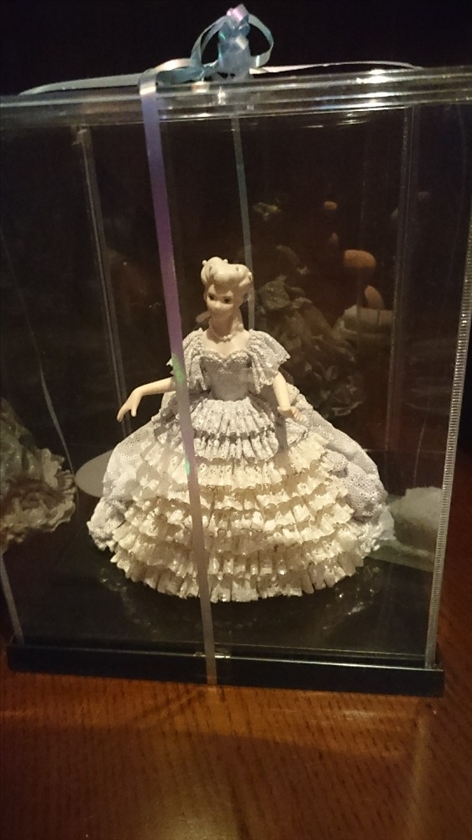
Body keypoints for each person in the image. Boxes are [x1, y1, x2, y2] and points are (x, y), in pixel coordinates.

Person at [88, 257, 392, 602]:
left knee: (267, 491)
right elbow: (182, 381)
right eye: (211, 297)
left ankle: (268, 560)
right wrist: (141, 390)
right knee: (196, 490)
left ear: (240, 300)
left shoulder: (254, 342)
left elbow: (274, 377)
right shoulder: (197, 342)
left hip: (252, 417)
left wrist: (284, 405)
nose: (216, 305)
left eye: (226, 299)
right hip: (207, 417)